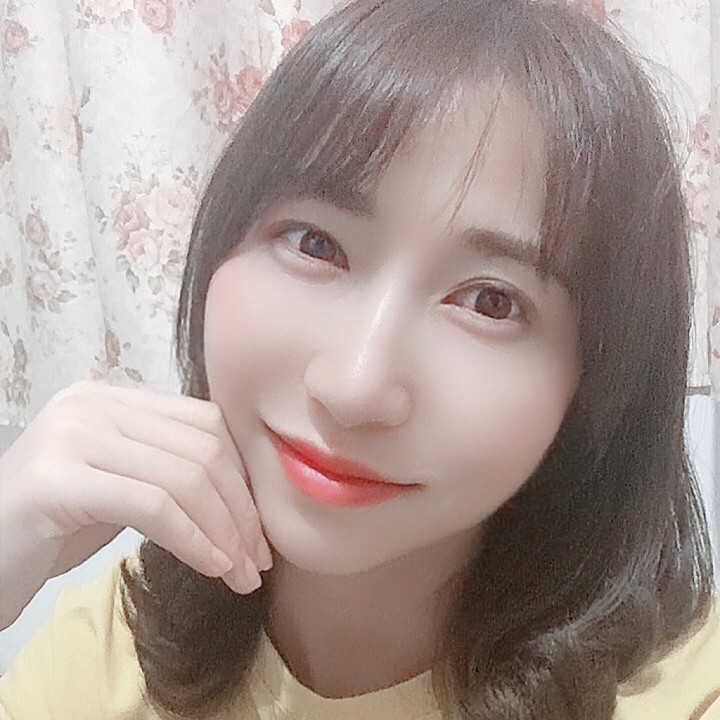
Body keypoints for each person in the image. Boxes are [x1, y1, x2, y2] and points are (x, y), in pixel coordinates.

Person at [0, 0, 718, 718]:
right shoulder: (114, 647)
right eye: (316, 243)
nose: (354, 385)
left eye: (490, 302)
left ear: (598, 383)